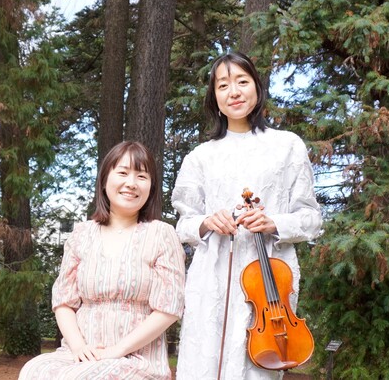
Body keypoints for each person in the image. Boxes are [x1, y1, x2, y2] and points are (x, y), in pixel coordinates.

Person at [172, 52, 322, 380]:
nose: (234, 92)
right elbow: (183, 224)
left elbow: (311, 217)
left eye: (242, 81)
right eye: (223, 85)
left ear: (257, 87)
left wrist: (275, 222)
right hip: (212, 278)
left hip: (271, 286)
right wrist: (207, 222)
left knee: (258, 369)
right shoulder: (200, 156)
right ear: (214, 97)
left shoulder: (288, 146)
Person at [19, 141, 185, 380]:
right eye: (123, 173)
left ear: (151, 187)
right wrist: (78, 347)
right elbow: (64, 302)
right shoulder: (81, 234)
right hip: (79, 353)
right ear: (105, 179)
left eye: (141, 176)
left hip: (135, 357)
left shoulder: (161, 234)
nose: (131, 183)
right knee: (34, 370)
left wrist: (116, 351)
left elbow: (168, 308)